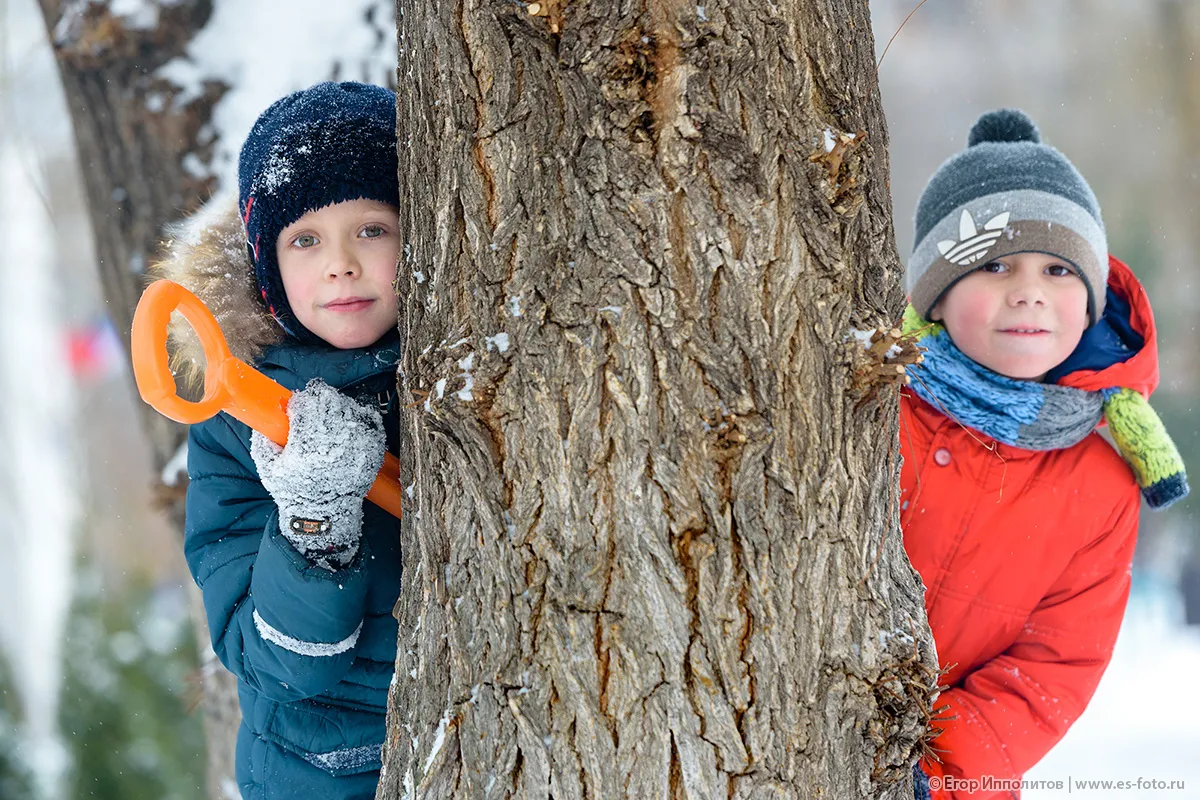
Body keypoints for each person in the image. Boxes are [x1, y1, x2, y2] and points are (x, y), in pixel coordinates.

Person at [899, 109, 1188, 799]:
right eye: (994, 263)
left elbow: (1053, 669)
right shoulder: (878, 409)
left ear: (1089, 305)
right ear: (936, 298)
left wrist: (930, 771)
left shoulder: (1100, 486)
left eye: (1059, 269)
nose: (1027, 290)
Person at [160, 81, 403, 800]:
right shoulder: (236, 426)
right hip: (326, 768)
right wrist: (314, 522)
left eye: (371, 229)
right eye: (305, 240)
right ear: (267, 271)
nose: (341, 264)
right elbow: (275, 663)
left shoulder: (466, 373)